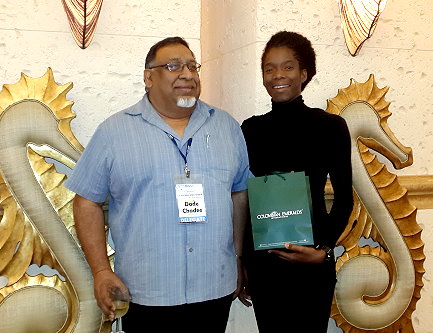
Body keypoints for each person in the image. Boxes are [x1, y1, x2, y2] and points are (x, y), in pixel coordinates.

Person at [65, 36, 250, 333]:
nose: (187, 74)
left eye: (192, 66)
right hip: (146, 292)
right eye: (174, 66)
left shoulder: (226, 127)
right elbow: (86, 200)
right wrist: (100, 270)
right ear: (149, 77)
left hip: (215, 286)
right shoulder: (114, 132)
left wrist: (239, 257)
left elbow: (239, 193)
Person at [240, 31, 354, 332]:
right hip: (264, 266)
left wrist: (323, 249)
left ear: (304, 73)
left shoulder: (330, 127)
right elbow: (245, 199)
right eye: (269, 68)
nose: (278, 75)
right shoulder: (250, 129)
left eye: (288, 66)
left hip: (311, 263)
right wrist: (242, 262)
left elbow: (344, 199)